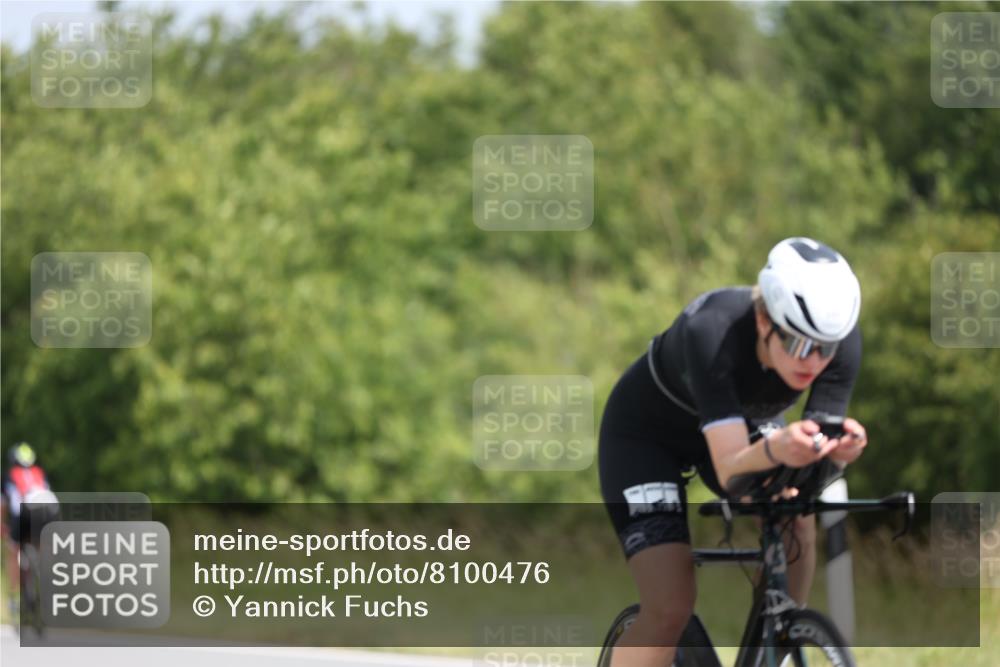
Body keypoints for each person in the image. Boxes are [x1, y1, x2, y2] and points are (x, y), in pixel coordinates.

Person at [599, 237, 870, 667]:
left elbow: (811, 468)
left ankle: (776, 645)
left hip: (737, 427)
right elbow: (730, 469)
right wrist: (780, 446)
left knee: (796, 518)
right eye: (799, 345)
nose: (814, 361)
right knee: (670, 606)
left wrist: (836, 454)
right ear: (764, 319)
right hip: (646, 440)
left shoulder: (835, 340)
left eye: (826, 348)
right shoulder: (712, 330)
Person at [2, 442, 56, 613]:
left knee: (12, 550)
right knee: (44, 549)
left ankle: (14, 597)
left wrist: (2, 525)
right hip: (48, 510)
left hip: (24, 513)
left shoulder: (9, 475)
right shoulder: (40, 474)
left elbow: (3, 506)